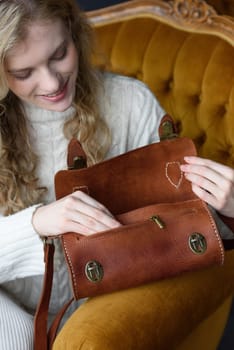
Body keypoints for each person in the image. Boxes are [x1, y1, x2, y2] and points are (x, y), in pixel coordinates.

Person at [0, 0, 233, 349]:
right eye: (23, 73)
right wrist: (37, 222)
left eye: (59, 53)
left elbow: (182, 233)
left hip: (103, 314)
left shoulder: (129, 104)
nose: (51, 82)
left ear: (73, 32)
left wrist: (230, 206)